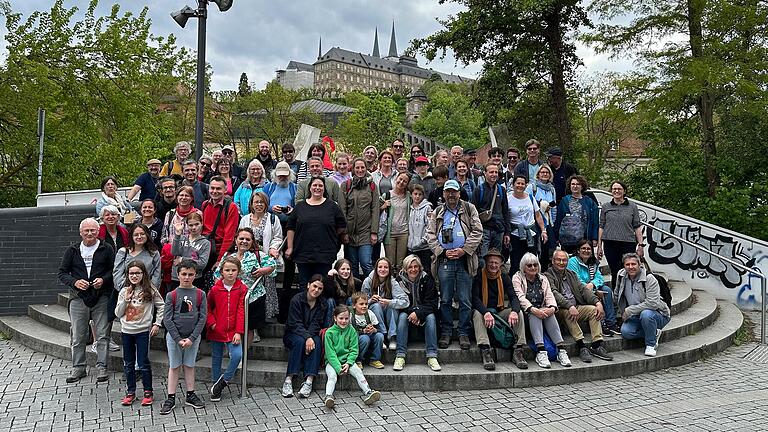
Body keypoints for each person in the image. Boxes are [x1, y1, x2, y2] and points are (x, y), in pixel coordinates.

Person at [426, 179, 484, 350]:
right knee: (445, 299)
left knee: (465, 299)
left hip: (464, 260)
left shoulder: (469, 208)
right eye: (448, 192)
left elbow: (478, 231)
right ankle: (446, 332)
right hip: (444, 260)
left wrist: (465, 250)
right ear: (443, 194)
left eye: (454, 191)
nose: (451, 195)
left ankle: (464, 332)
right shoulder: (438, 211)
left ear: (459, 192)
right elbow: (429, 234)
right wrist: (442, 251)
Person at [59, 218, 115, 384]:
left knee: (103, 335)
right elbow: (62, 273)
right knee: (78, 335)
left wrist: (103, 280)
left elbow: (114, 270)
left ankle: (102, 367)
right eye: (86, 231)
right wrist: (75, 282)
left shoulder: (107, 248)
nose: (90, 233)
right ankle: (79, 367)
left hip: (101, 297)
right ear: (80, 232)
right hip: (78, 298)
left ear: (98, 232)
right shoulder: (72, 250)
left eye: (93, 230)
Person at [545, 250, 613, 363]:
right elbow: (554, 293)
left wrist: (597, 302)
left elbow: (583, 289)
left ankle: (596, 345)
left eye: (564, 260)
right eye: (558, 260)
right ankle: (581, 345)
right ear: (553, 261)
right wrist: (569, 306)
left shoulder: (571, 274)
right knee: (568, 312)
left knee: (593, 310)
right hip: (558, 310)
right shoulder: (548, 275)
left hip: (576, 307)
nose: (561, 262)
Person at [160, 259, 207, 414]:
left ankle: (190, 394)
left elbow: (202, 318)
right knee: (174, 367)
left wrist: (192, 338)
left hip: (192, 338)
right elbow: (167, 319)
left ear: (195, 275)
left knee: (189, 365)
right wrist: (178, 339)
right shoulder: (171, 295)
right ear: (178, 274)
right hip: (175, 339)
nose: (187, 277)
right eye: (184, 274)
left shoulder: (200, 294)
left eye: (190, 274)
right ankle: (171, 397)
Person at [114, 260, 164, 406]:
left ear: (143, 274)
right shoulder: (124, 291)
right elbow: (117, 313)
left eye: (137, 273)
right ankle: (131, 392)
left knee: (143, 362)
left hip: (142, 331)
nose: (134, 276)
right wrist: (125, 300)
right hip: (127, 331)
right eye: (131, 273)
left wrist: (157, 323)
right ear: (127, 275)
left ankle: (148, 392)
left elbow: (161, 306)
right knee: (128, 363)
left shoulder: (150, 289)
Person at [215, 228, 276, 343]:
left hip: (253, 298)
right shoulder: (228, 256)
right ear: (236, 240)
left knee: (249, 328)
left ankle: (243, 356)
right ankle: (235, 353)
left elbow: (272, 265)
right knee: (231, 326)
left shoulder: (258, 255)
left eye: (248, 239)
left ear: (252, 241)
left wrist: (263, 270)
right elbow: (218, 275)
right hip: (232, 298)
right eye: (241, 238)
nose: (244, 241)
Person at [512, 253, 572, 369]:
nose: (533, 268)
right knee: (535, 314)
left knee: (549, 314)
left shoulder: (543, 278)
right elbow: (520, 297)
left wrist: (552, 308)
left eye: (535, 265)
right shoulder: (517, 277)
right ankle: (541, 351)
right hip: (525, 312)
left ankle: (561, 350)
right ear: (523, 267)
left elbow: (549, 295)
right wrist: (533, 309)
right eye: (529, 265)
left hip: (542, 310)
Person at [471, 249, 528, 370]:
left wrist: (514, 311)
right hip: (484, 312)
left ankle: (518, 350)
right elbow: (475, 299)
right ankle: (485, 350)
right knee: (476, 313)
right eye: (491, 262)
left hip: (499, 312)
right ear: (486, 262)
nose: (493, 265)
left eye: (496, 263)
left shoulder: (504, 277)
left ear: (501, 264)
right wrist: (485, 312)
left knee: (519, 313)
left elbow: (513, 297)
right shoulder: (479, 275)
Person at [285, 177, 346, 287]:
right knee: (304, 284)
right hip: (303, 253)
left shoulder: (332, 206)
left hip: (324, 254)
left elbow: (341, 226)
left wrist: (329, 234)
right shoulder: (300, 207)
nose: (317, 188)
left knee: (322, 284)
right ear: (310, 188)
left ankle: (320, 305)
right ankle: (304, 304)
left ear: (324, 188)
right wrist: (290, 247)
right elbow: (291, 228)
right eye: (315, 185)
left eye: (320, 186)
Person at [238, 191, 283, 331]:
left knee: (266, 287)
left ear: (266, 204)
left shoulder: (273, 219)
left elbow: (277, 237)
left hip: (265, 257)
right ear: (251, 204)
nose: (259, 205)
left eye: (261, 202)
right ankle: (252, 325)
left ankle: (263, 319)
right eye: (256, 202)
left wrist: (273, 248)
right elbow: (240, 236)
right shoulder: (245, 219)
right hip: (249, 257)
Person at [323, 305, 382, 408]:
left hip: (348, 361)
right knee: (332, 376)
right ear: (335, 318)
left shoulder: (352, 331)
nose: (344, 321)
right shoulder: (329, 333)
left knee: (358, 371)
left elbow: (354, 350)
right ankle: (328, 396)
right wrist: (338, 367)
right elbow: (330, 353)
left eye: (346, 318)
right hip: (332, 363)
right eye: (341, 318)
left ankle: (368, 392)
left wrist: (349, 363)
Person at [614, 253, 671, 357]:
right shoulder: (621, 275)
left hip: (657, 314)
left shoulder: (649, 278)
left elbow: (652, 304)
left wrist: (629, 310)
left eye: (633, 264)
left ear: (639, 264)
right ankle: (653, 332)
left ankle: (650, 344)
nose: (631, 267)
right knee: (626, 332)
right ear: (624, 266)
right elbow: (617, 294)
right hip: (636, 315)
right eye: (627, 264)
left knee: (646, 314)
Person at [206, 256, 246, 402]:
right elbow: (208, 308)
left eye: (234, 270)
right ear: (221, 271)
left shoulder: (242, 288)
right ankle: (215, 387)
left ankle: (224, 380)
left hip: (233, 331)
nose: (230, 273)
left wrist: (238, 332)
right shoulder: (215, 289)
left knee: (237, 355)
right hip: (217, 329)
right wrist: (212, 323)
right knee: (216, 358)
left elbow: (241, 310)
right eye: (227, 270)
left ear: (238, 271)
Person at [394, 255, 441, 372]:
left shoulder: (427, 278)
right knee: (402, 317)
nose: (413, 269)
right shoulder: (399, 281)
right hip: (408, 312)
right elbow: (399, 303)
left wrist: (418, 313)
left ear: (420, 268)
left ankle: (432, 355)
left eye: (416, 267)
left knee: (431, 317)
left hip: (424, 312)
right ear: (405, 268)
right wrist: (414, 312)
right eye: (410, 267)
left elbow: (433, 303)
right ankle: (400, 355)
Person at [281, 275, 326, 398]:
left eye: (320, 288)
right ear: (308, 285)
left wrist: (309, 337)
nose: (316, 290)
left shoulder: (322, 303)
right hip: (293, 333)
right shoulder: (297, 300)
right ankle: (288, 379)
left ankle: (309, 381)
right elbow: (294, 324)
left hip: (311, 334)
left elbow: (316, 324)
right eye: (314, 286)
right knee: (300, 342)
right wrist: (307, 337)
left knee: (316, 343)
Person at [597, 181, 644, 289]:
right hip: (610, 243)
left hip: (628, 243)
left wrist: (641, 245)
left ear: (624, 191)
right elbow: (601, 226)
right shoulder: (606, 207)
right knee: (615, 271)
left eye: (619, 189)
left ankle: (629, 294)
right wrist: (599, 246)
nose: (616, 191)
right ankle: (616, 297)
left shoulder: (632, 206)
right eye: (614, 189)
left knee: (628, 270)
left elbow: (637, 226)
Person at [338, 158, 380, 279]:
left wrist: (374, 232)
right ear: (353, 169)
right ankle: (354, 293)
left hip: (365, 231)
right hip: (350, 232)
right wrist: (344, 232)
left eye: (362, 167)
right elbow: (342, 210)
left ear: (366, 169)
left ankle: (372, 289)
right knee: (352, 265)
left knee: (366, 263)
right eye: (357, 167)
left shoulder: (372, 186)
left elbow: (375, 209)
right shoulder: (346, 185)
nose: (360, 170)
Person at [569, 240, 618, 335]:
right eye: (583, 248)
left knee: (607, 290)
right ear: (578, 250)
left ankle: (611, 323)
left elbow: (599, 277)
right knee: (597, 294)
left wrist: (593, 285)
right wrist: (594, 291)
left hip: (591, 287)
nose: (586, 251)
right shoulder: (572, 262)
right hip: (578, 290)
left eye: (588, 249)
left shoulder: (593, 262)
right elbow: (576, 280)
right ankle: (601, 324)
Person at [361, 257, 409, 350]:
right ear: (376, 268)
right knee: (376, 306)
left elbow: (405, 301)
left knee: (392, 306)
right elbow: (361, 302)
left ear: (389, 269)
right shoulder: (368, 281)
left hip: (388, 314)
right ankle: (381, 336)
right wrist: (370, 300)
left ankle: (392, 337)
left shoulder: (392, 282)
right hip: (374, 313)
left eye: (386, 267)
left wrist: (390, 302)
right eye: (380, 267)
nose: (383, 269)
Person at [507, 175, 548, 274]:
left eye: (522, 184)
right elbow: (506, 218)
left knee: (532, 261)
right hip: (515, 235)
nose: (520, 186)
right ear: (513, 185)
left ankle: (532, 284)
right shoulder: (508, 199)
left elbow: (538, 215)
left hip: (531, 234)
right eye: (518, 183)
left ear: (526, 185)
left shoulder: (530, 197)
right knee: (516, 262)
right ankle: (516, 285)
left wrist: (543, 230)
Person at [472, 163, 510, 268]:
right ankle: (483, 282)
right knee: (483, 259)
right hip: (484, 230)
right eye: (491, 172)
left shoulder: (502, 190)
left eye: (496, 172)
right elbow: (473, 213)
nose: (494, 174)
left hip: (499, 230)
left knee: (497, 259)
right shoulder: (479, 190)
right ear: (485, 173)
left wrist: (507, 232)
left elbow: (505, 212)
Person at [554, 175, 599, 255]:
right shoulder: (564, 201)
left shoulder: (589, 202)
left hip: (584, 239)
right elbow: (559, 219)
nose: (575, 186)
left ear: (582, 186)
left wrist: (595, 238)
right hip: (567, 239)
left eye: (578, 184)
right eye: (573, 184)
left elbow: (595, 221)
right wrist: (557, 237)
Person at [202, 176, 240, 266]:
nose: (214, 191)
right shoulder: (205, 204)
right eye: (212, 188)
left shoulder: (231, 207)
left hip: (218, 252)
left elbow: (229, 236)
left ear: (225, 190)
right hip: (204, 249)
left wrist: (220, 260)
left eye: (218, 188)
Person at [525, 164, 557, 270]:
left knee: (548, 249)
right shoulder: (532, 187)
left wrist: (553, 222)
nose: (544, 174)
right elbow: (527, 204)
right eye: (542, 172)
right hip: (535, 222)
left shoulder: (551, 189)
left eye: (547, 172)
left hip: (548, 222)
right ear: (538, 174)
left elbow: (553, 206)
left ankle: (545, 271)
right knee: (535, 248)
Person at [113, 223, 161, 291]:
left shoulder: (154, 253)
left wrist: (149, 291)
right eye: (136, 235)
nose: (139, 237)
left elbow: (157, 275)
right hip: (126, 292)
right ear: (131, 237)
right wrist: (126, 290)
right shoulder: (123, 252)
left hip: (147, 292)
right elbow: (117, 274)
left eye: (142, 234)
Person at [170, 212, 210, 290]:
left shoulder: (205, 243)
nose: (194, 228)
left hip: (195, 278)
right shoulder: (181, 238)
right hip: (177, 277)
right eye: (191, 225)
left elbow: (202, 263)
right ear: (187, 225)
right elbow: (174, 252)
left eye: (196, 224)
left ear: (201, 224)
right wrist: (177, 235)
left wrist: (182, 259)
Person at [381, 172, 411, 273]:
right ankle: (389, 285)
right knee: (390, 263)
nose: (401, 182)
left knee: (401, 263)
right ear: (396, 178)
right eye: (400, 179)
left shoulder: (408, 196)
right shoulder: (387, 195)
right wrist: (383, 207)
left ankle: (400, 284)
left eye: (405, 181)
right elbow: (376, 211)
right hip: (390, 233)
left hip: (404, 232)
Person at [349, 292, 384, 369]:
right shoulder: (350, 315)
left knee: (380, 336)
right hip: (356, 340)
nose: (364, 306)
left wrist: (374, 330)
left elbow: (378, 328)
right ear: (354, 305)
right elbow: (349, 333)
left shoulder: (370, 313)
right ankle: (358, 360)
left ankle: (375, 359)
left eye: (366, 304)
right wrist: (363, 331)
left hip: (370, 337)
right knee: (365, 338)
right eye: (361, 304)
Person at [406, 184, 433, 277]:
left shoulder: (427, 208)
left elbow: (430, 226)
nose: (417, 196)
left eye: (420, 194)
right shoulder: (410, 208)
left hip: (423, 247)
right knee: (412, 272)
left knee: (425, 272)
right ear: (411, 195)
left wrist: (423, 240)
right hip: (411, 247)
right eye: (415, 194)